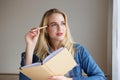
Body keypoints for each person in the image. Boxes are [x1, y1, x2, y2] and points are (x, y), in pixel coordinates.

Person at [19, 8, 106, 80]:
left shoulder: (78, 50)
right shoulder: (35, 54)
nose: (60, 28)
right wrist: (30, 47)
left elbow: (100, 77)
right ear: (46, 29)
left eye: (63, 23)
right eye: (54, 25)